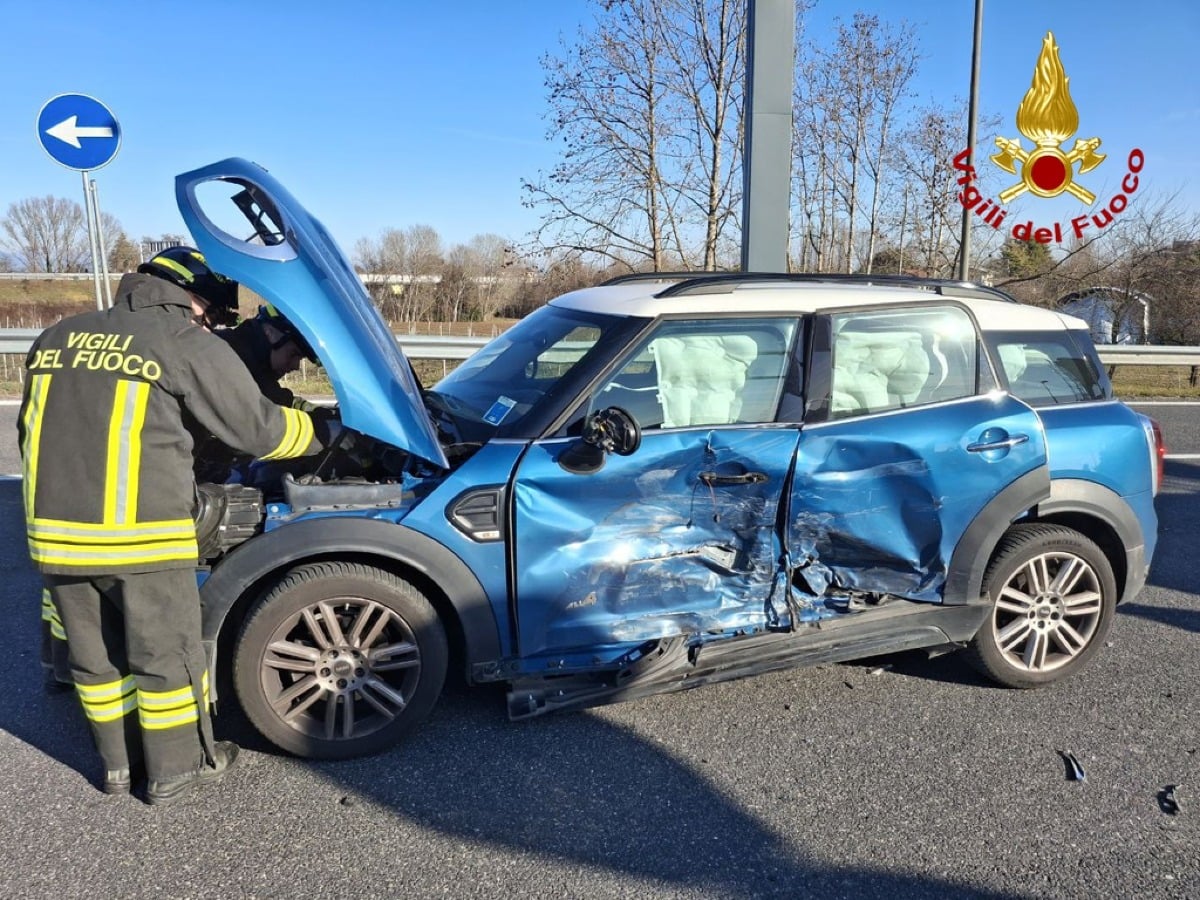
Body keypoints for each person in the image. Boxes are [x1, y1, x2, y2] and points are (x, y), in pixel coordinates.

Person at [18, 246, 331, 805]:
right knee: (166, 660)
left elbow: (31, 431)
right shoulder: (182, 342)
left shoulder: (56, 338)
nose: (209, 324)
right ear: (194, 298)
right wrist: (325, 437)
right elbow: (258, 431)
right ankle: (176, 770)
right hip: (141, 538)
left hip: (57, 536)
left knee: (98, 661)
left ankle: (116, 767)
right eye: (210, 313)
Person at [192, 304, 326, 483]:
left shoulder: (251, 359)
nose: (295, 366)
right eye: (294, 354)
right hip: (189, 474)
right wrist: (324, 432)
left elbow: (277, 400)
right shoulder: (228, 356)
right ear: (270, 332)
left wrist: (325, 415)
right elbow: (256, 428)